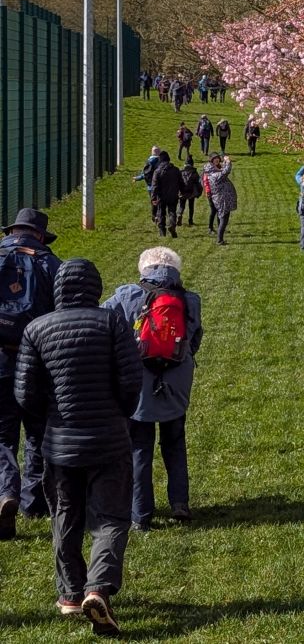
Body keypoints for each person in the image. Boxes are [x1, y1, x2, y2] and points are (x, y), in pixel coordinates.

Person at [15, 258, 142, 635]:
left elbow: (25, 393)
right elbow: (131, 379)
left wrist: (51, 417)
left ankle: (70, 594)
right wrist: (120, 413)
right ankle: (98, 587)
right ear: (95, 287)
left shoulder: (36, 328)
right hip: (109, 438)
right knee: (112, 517)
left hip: (60, 442)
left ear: (58, 288)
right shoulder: (111, 321)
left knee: (65, 517)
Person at [102, 248, 202, 534]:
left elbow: (105, 325)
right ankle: (180, 502)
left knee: (139, 449)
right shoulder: (190, 300)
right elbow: (195, 337)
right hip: (176, 382)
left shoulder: (125, 295)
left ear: (143, 269)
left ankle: (140, 514)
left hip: (138, 383)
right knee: (175, 443)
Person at [0, 209, 59, 540]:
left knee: (1, 435)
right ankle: (33, 501)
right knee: (37, 430)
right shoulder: (51, 264)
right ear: (39, 235)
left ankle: (5, 490)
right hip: (36, 360)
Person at [206, 155, 238, 246]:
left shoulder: (212, 174)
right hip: (222, 200)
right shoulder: (216, 175)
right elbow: (226, 171)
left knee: (223, 218)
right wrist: (228, 161)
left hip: (219, 199)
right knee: (224, 219)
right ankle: (219, 240)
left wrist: (224, 162)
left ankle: (220, 239)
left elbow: (222, 170)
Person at [150, 151, 183, 239]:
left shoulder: (157, 171)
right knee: (172, 212)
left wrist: (153, 198)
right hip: (173, 195)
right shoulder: (176, 170)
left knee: (161, 212)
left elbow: (154, 186)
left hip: (161, 196)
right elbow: (181, 182)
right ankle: (172, 225)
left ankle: (162, 232)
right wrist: (182, 192)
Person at [134, 146, 162, 227]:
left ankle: (154, 215)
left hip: (150, 187)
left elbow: (145, 174)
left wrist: (137, 178)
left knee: (153, 201)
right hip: (159, 185)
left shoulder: (149, 162)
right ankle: (159, 215)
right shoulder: (160, 162)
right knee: (160, 201)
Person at [178, 157, 201, 227]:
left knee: (181, 206)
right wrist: (199, 193)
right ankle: (190, 220)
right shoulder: (194, 172)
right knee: (191, 207)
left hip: (182, 192)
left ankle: (179, 214)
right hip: (191, 192)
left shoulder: (181, 172)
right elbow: (198, 183)